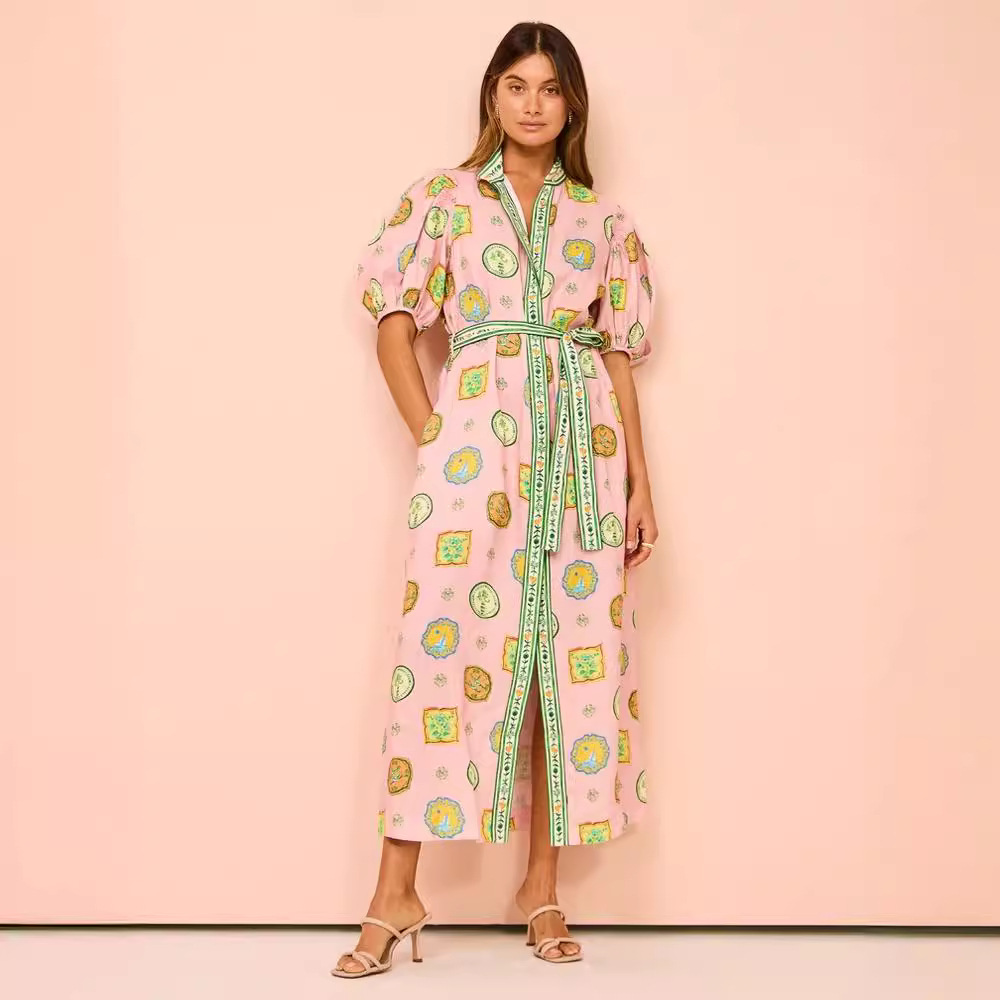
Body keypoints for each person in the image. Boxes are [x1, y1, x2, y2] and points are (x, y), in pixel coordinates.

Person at [333, 20, 658, 978]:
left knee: (566, 666)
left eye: (550, 88)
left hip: (583, 455)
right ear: (492, 95)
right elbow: (395, 323)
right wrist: (436, 438)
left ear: (572, 104)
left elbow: (617, 356)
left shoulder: (603, 221)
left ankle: (540, 887)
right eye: (516, 85)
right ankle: (394, 893)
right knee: (439, 655)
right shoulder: (443, 200)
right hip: (477, 456)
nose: (532, 104)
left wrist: (640, 482)